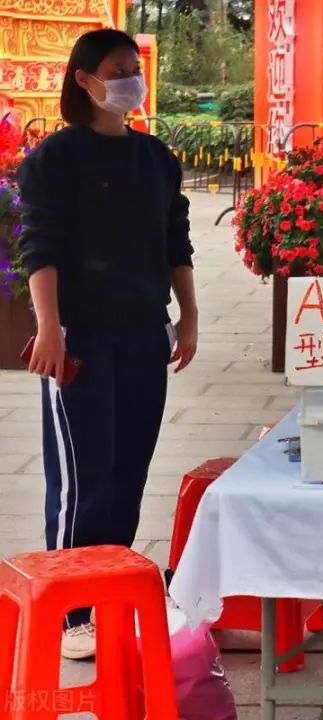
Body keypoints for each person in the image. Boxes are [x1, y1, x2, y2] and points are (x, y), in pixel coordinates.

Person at [15, 28, 198, 660]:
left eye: (134, 69)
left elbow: (176, 242)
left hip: (145, 335)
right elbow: (40, 246)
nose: (130, 81)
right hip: (81, 340)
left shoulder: (155, 158)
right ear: (85, 80)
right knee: (83, 480)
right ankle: (70, 613)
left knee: (127, 474)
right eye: (117, 71)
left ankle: (111, 595)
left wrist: (189, 316)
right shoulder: (56, 159)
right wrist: (49, 328)